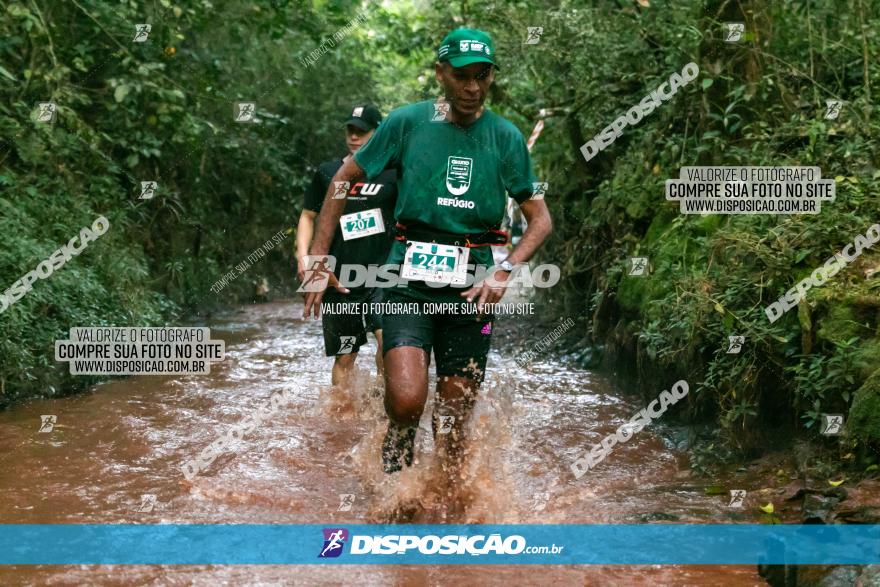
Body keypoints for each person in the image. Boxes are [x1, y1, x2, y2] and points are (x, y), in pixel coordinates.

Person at [303, 29, 552, 477]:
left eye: (483, 75)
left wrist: (505, 270)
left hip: (471, 287)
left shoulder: (505, 137)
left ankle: (445, 499)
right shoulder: (407, 123)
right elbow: (344, 177)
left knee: (454, 419)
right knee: (405, 398)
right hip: (405, 280)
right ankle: (395, 482)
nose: (473, 87)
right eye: (461, 76)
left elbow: (541, 219)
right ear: (440, 74)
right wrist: (319, 255)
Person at [296, 104, 397, 387]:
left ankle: (383, 407)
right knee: (346, 354)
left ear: (378, 133)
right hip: (339, 277)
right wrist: (304, 258)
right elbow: (307, 216)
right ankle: (342, 416)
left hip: (384, 275)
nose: (354, 136)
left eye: (362, 131)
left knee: (387, 342)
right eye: (350, 130)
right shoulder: (329, 173)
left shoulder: (394, 173)